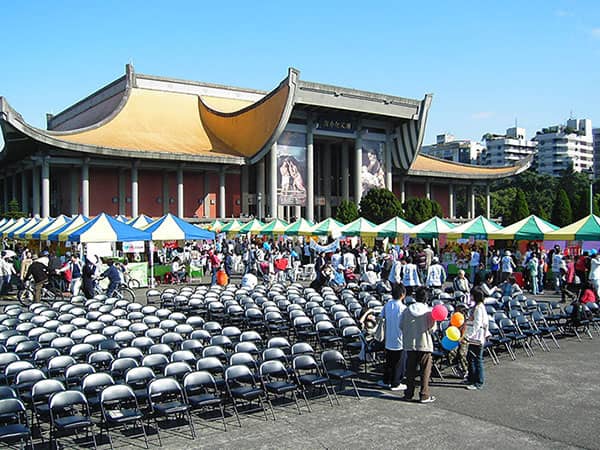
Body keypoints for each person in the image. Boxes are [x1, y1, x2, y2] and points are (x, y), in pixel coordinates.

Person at [401, 286, 435, 403]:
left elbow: (401, 325)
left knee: (410, 370)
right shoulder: (428, 312)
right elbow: (432, 329)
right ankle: (424, 394)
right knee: (425, 370)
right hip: (424, 343)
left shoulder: (407, 310)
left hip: (410, 343)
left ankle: (408, 394)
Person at [377, 284, 408, 391]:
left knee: (389, 361)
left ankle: (386, 381)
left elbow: (381, 316)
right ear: (402, 294)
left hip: (389, 337)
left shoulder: (387, 304)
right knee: (399, 363)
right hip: (400, 338)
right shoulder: (403, 308)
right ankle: (396, 383)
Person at [465, 287, 490, 390]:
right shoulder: (476, 306)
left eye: (472, 295)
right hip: (474, 337)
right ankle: (471, 377)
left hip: (477, 337)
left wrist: (469, 335)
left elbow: (477, 324)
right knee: (470, 357)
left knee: (477, 359)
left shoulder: (479, 308)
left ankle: (478, 381)